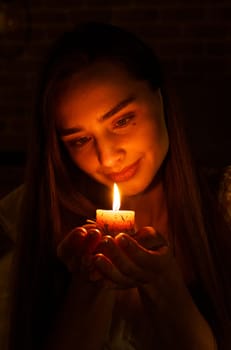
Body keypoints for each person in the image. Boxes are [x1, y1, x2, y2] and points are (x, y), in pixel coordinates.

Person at [0, 21, 231, 350]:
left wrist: (163, 283)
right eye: (80, 140)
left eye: (122, 120)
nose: (108, 157)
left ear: (160, 97)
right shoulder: (32, 216)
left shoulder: (224, 204)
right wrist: (90, 284)